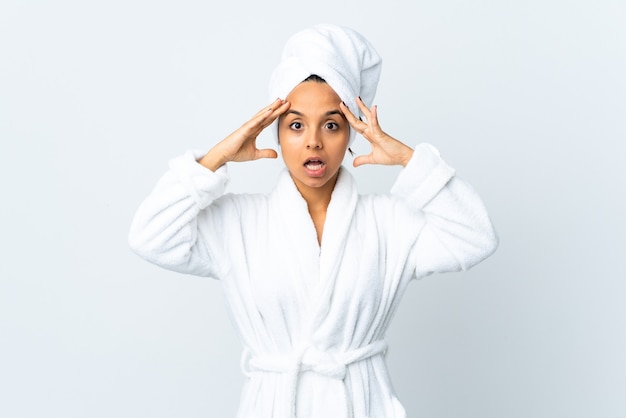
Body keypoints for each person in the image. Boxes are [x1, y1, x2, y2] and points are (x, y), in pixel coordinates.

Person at [128, 24, 498, 418]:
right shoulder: (238, 223)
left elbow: (475, 237)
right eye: (296, 124)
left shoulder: (389, 223)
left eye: (332, 124)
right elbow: (150, 237)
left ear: (353, 133)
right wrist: (214, 159)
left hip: (361, 405)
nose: (313, 142)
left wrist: (412, 160)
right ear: (274, 131)